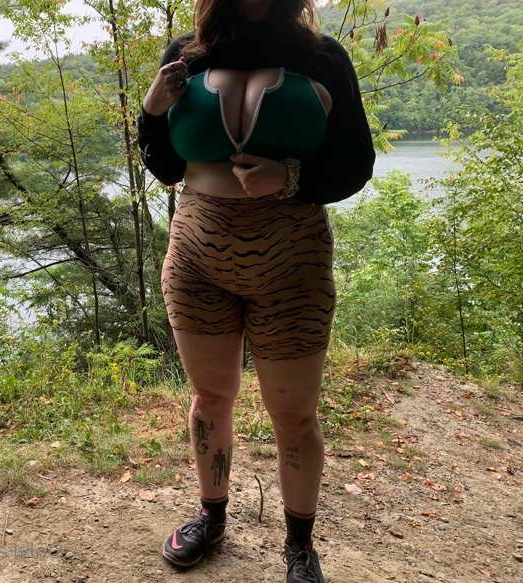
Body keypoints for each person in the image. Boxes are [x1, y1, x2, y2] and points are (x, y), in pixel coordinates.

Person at [137, 1, 375, 581]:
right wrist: (151, 111)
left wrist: (289, 177)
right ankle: (211, 515)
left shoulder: (322, 58)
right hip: (197, 259)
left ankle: (300, 546)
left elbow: (355, 163)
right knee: (210, 399)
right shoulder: (186, 56)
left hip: (292, 261)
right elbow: (165, 167)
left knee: (294, 414)